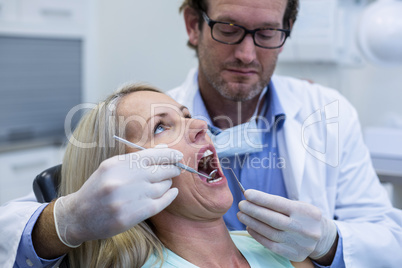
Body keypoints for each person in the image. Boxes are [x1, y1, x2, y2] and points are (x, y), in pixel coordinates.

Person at [1, 0, 402, 267]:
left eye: (266, 33)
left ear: (286, 31)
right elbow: (15, 226)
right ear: (194, 25)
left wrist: (329, 243)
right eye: (229, 29)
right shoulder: (138, 118)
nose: (247, 54)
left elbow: (389, 237)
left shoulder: (326, 113)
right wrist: (66, 222)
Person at [49, 83, 312, 267]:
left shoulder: (283, 249)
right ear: (119, 181)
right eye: (161, 127)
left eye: (186, 115)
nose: (200, 125)